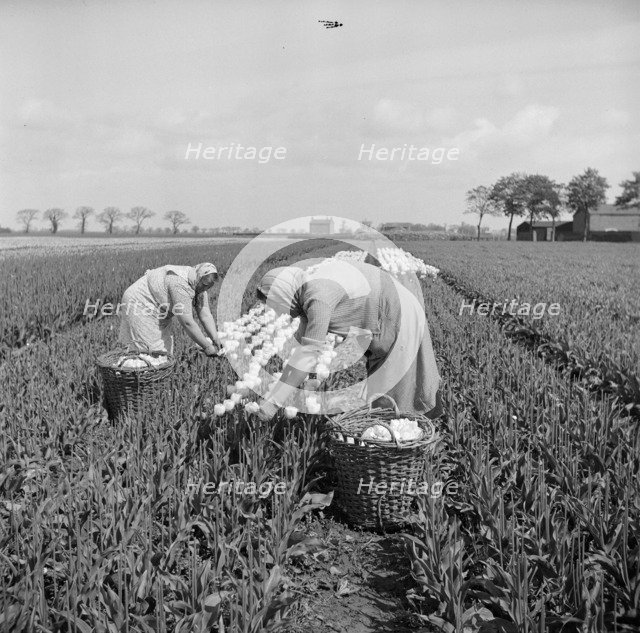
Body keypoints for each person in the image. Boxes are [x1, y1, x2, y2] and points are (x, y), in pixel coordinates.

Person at [255, 259, 442, 420]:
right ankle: (394, 436)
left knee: (396, 387)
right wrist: (311, 378)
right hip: (382, 316)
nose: (278, 311)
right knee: (382, 386)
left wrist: (273, 404)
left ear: (283, 293)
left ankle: (408, 442)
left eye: (275, 304)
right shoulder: (306, 292)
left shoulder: (318, 297)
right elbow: (303, 351)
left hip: (396, 314)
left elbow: (307, 355)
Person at [118, 262, 220, 357]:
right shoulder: (180, 284)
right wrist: (207, 347)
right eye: (204, 285)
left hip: (158, 306)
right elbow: (187, 322)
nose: (204, 289)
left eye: (208, 287)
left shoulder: (197, 282)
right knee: (148, 349)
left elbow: (205, 314)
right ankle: (139, 373)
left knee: (163, 348)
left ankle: (157, 372)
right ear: (199, 276)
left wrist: (215, 339)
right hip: (140, 302)